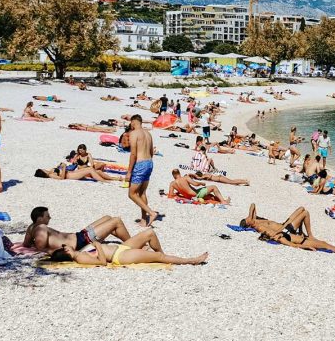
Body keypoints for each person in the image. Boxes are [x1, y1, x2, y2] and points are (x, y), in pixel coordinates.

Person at [49, 228, 207, 266]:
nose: (66, 247)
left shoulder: (78, 252)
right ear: (66, 254)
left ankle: (162, 256)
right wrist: (97, 244)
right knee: (159, 257)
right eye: (65, 249)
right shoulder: (80, 257)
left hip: (121, 248)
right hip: (120, 257)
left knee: (149, 233)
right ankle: (191, 260)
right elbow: (102, 263)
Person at [24, 207, 131, 253]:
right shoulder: (41, 228)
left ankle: (126, 239)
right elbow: (41, 247)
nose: (50, 218)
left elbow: (26, 244)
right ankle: (132, 244)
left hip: (79, 235)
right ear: (39, 219)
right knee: (116, 221)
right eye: (47, 216)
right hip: (82, 242)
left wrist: (31, 244)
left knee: (108, 218)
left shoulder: (31, 227)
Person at [125, 114, 158, 227]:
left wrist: (129, 171)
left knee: (132, 193)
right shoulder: (148, 134)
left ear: (133, 122)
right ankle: (144, 220)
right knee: (142, 192)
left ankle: (151, 213)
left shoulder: (134, 134)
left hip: (141, 164)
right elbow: (151, 152)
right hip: (149, 163)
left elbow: (133, 154)